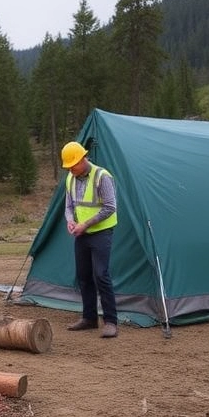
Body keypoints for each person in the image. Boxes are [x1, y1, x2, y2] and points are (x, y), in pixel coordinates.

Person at [60, 141, 119, 338]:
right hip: (81, 234)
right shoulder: (70, 178)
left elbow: (110, 207)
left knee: (101, 274)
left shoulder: (102, 177)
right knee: (83, 276)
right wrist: (71, 221)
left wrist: (86, 224)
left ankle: (111, 322)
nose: (70, 169)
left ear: (83, 159)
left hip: (101, 232)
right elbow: (69, 206)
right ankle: (89, 318)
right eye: (68, 166)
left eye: (73, 165)